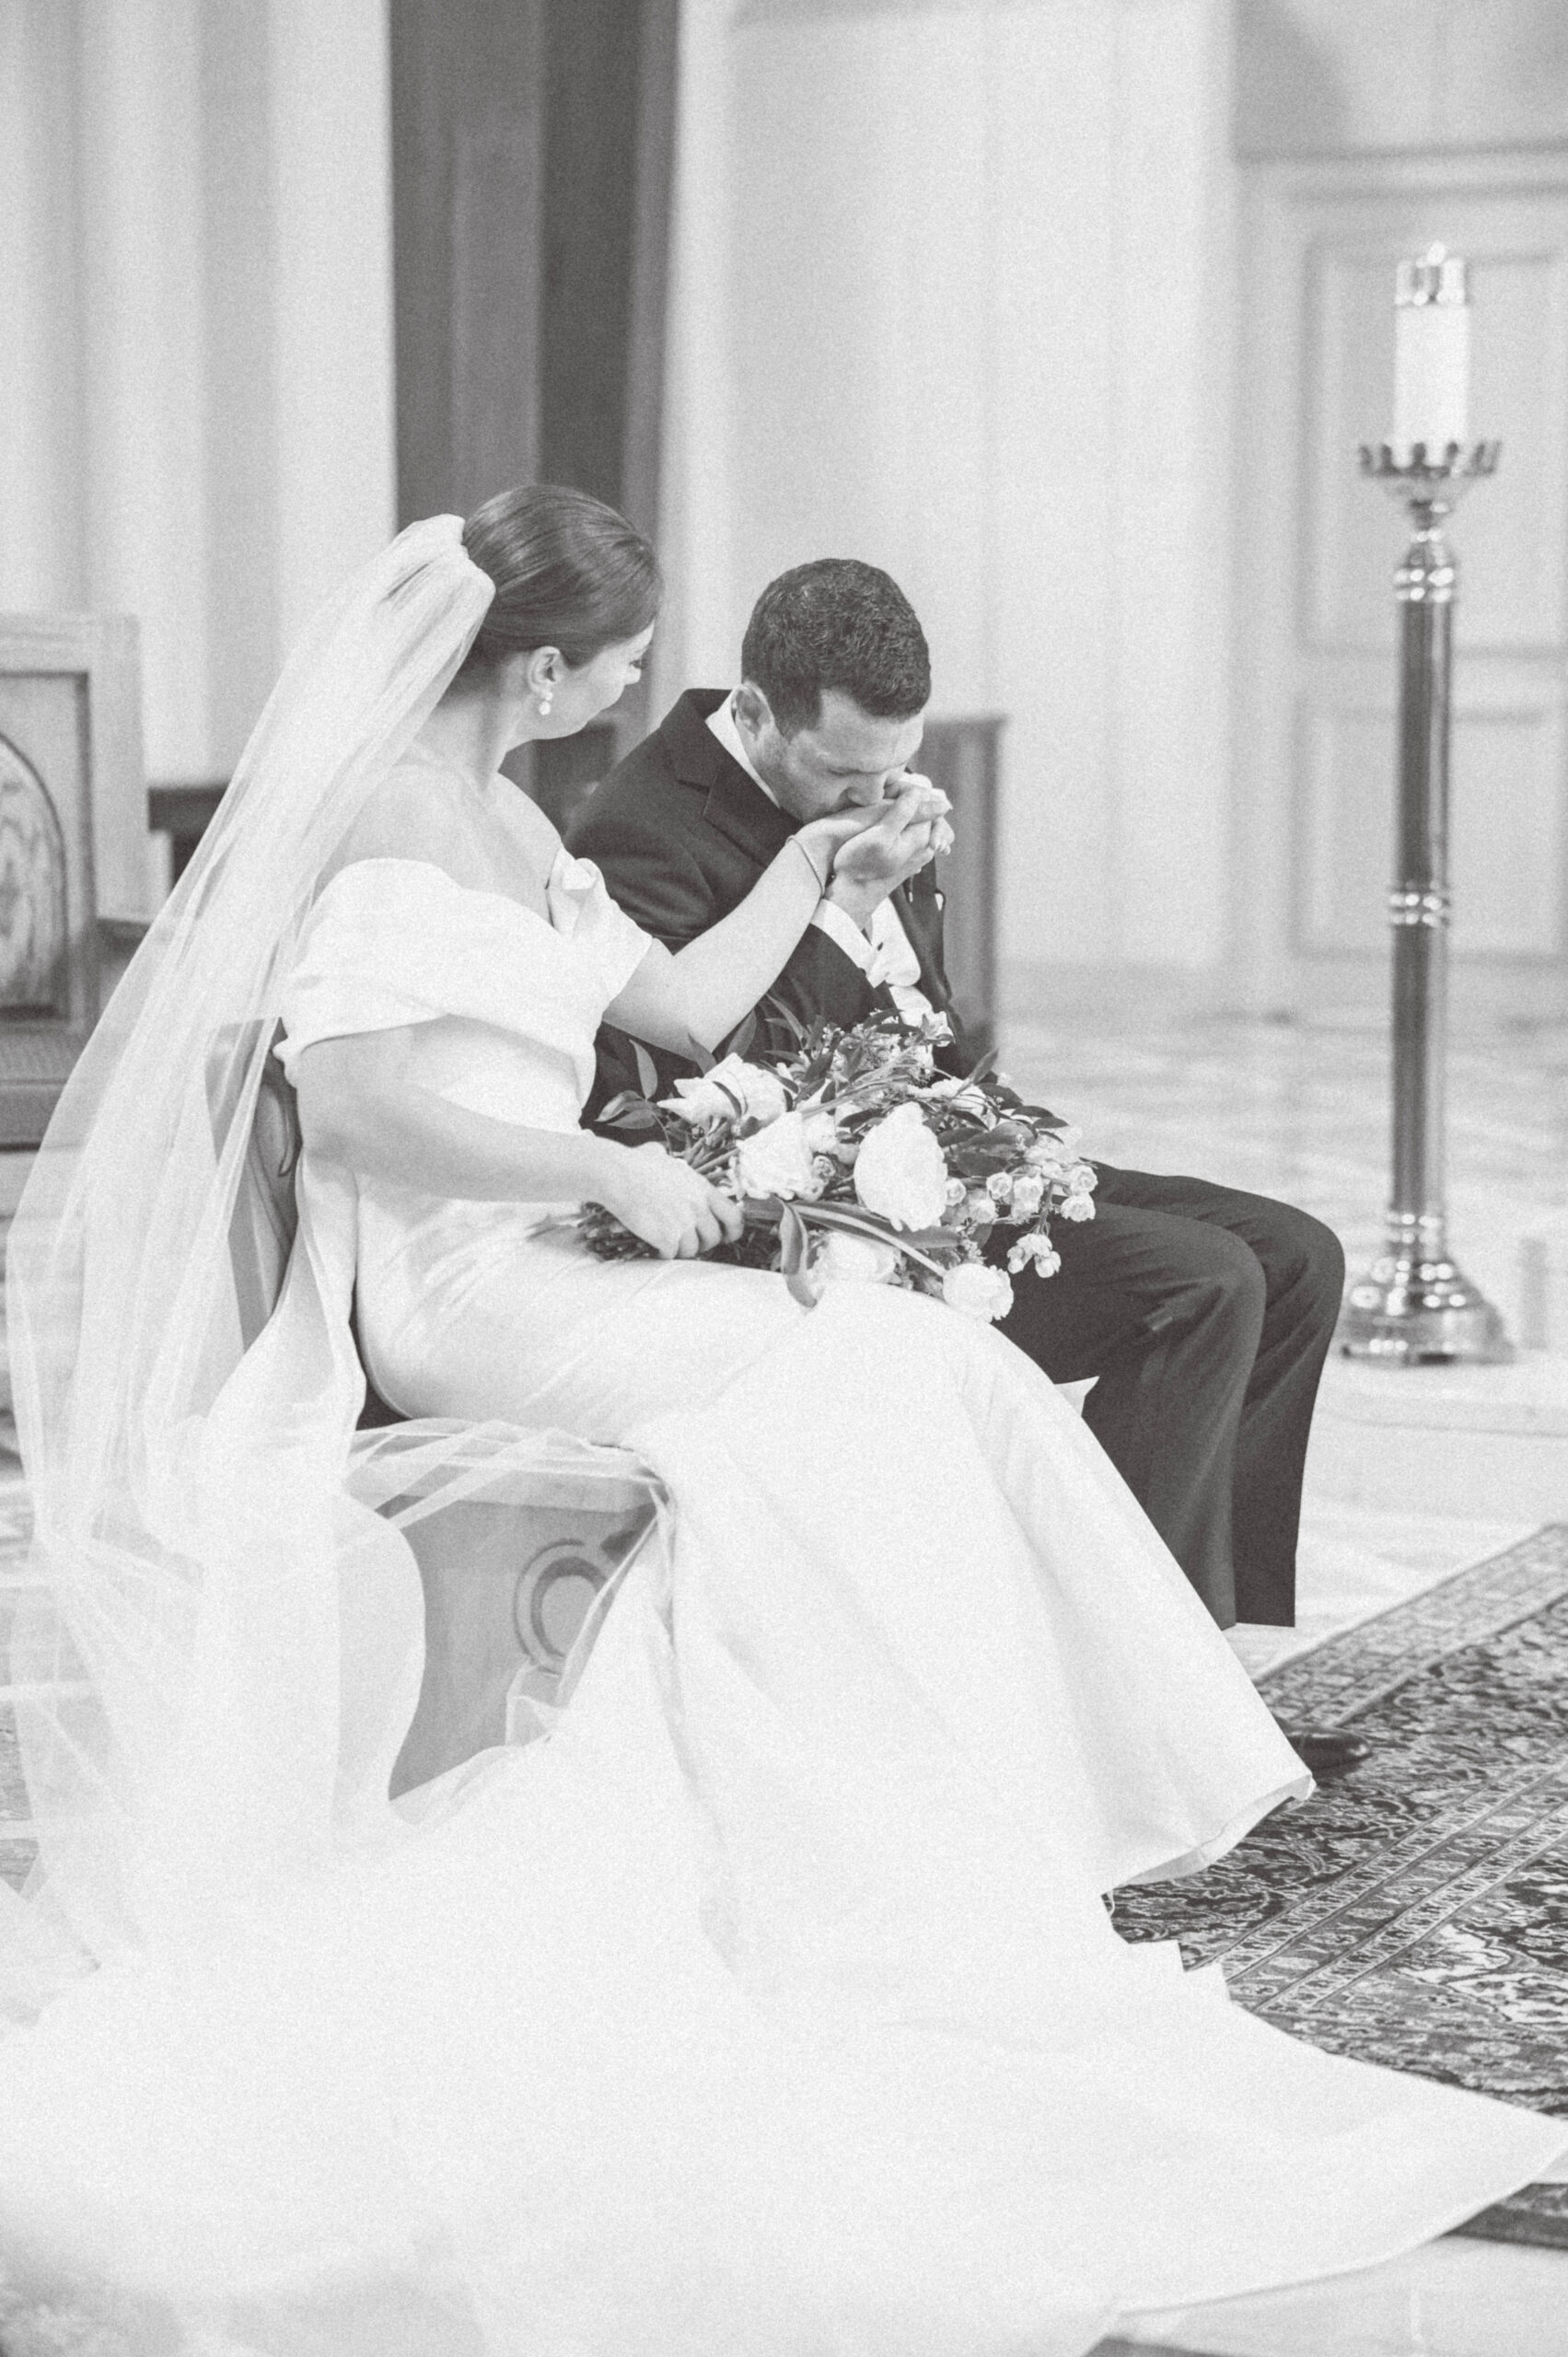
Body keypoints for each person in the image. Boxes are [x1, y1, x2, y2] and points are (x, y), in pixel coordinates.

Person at [0, 489, 1557, 2357]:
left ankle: (1025, 1809)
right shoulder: (395, 819)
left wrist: (823, 867)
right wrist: (597, 1163)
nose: (657, 676)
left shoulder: (510, 812)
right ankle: (859, 1868)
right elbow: (353, 1123)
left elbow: (669, 996)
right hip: (464, 1292)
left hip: (557, 1247)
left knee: (931, 1362)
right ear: (549, 665)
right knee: (844, 1386)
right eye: (633, 650)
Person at [572, 560, 1358, 1767]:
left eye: (892, 766)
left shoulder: (863, 785)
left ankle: (1193, 1649)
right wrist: (848, 907)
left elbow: (933, 1030)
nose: (875, 792)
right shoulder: (644, 820)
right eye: (845, 772)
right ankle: (1115, 1693)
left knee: (1296, 1255)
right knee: (1199, 1283)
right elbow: (721, 1078)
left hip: (936, 1157)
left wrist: (1005, 1137)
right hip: (804, 1208)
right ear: (760, 713)